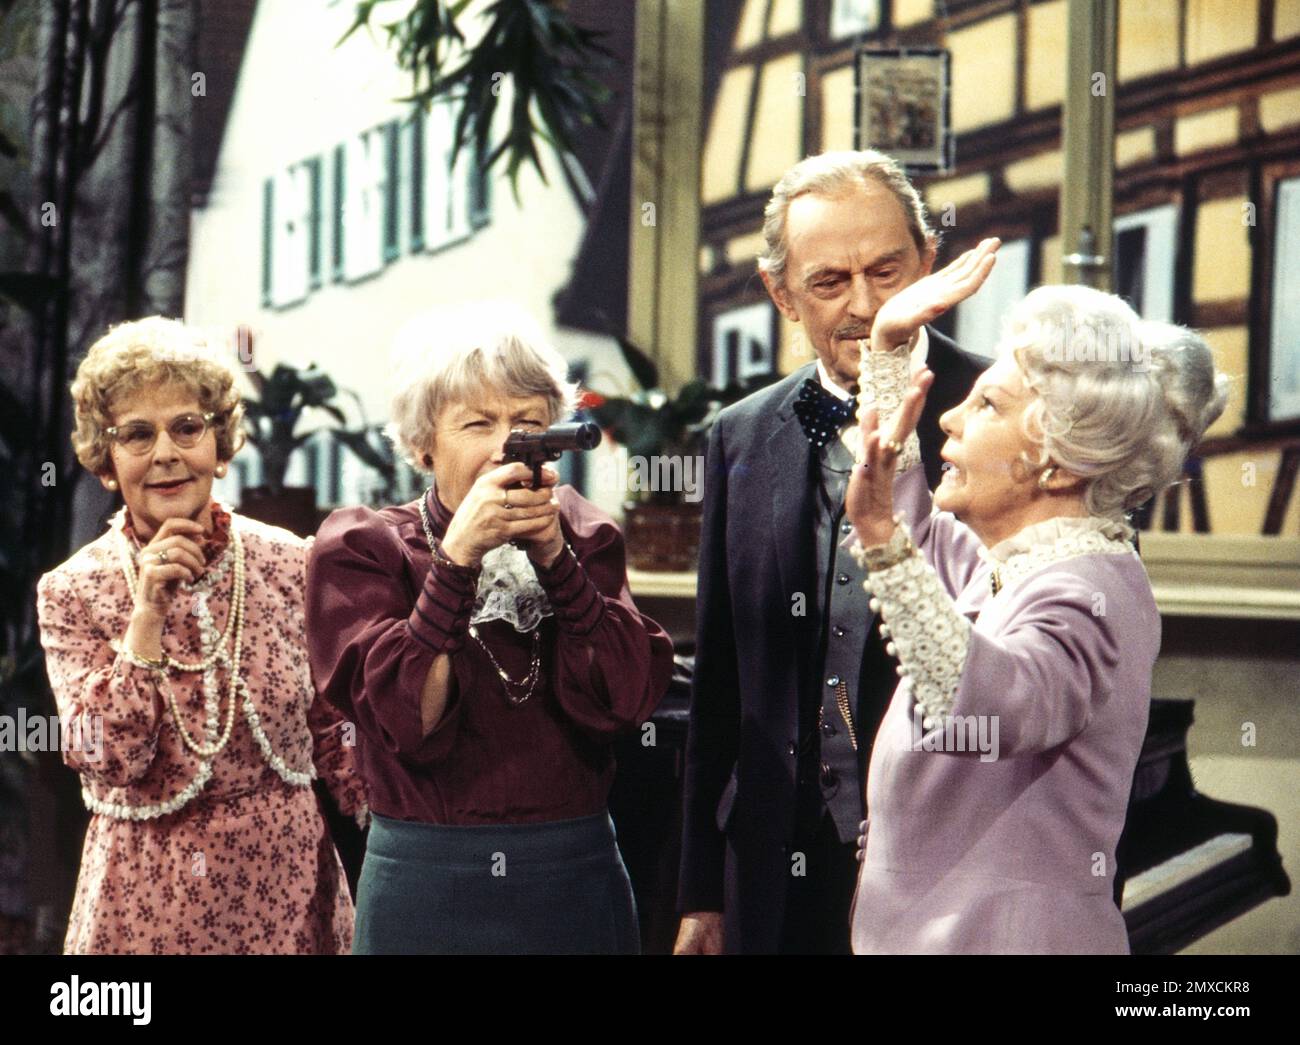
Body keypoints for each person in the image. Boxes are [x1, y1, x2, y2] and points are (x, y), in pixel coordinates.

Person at [843, 239, 1228, 952]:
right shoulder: (1017, 565)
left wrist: (883, 545)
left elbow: (984, 699)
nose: (951, 419)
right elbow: (906, 527)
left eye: (987, 402)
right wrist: (889, 348)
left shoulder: (1088, 591)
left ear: (1051, 459)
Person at [676, 150, 987, 954]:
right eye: (828, 281)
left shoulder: (1008, 414)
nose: (864, 304)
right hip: (775, 878)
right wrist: (701, 893)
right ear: (779, 293)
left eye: (887, 269)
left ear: (928, 260)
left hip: (951, 874)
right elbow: (720, 686)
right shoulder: (739, 436)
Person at [305, 305, 675, 955]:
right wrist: (457, 559)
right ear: (424, 444)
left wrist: (559, 561)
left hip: (574, 883)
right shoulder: (362, 546)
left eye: (528, 423)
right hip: (426, 888)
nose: (507, 443)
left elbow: (626, 699)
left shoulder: (585, 534)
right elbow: (407, 720)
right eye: (478, 423)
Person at [37, 317, 366, 955]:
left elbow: (335, 730)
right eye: (137, 434)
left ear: (220, 442)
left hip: (289, 890)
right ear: (107, 464)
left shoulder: (290, 562)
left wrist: (407, 838)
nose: (166, 452)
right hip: (145, 902)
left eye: (187, 427)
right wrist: (147, 619)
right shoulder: (72, 591)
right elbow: (109, 756)